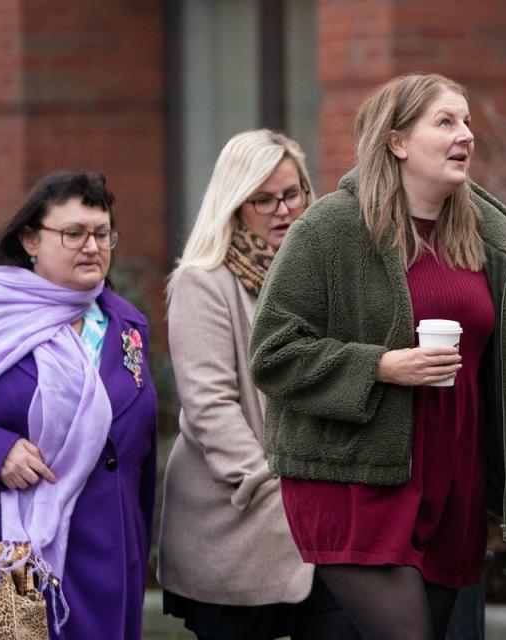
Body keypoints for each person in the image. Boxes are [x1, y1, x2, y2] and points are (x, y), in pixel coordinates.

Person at [249, 73, 506, 640]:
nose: (465, 134)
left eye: (466, 122)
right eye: (445, 122)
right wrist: (381, 367)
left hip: (452, 483)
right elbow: (273, 351)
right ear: (397, 141)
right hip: (356, 483)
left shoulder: (486, 240)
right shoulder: (331, 228)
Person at [157, 129, 359, 640]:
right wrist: (271, 486)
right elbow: (209, 407)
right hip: (237, 521)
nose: (282, 210)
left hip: (328, 518)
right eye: (262, 200)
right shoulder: (204, 282)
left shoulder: (328, 275)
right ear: (234, 205)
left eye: (292, 194)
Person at [0, 171, 158, 639]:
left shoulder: (126, 324)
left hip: (111, 554)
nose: (92, 246)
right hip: (11, 559)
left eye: (102, 233)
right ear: (30, 240)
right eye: (74, 233)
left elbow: (138, 453)